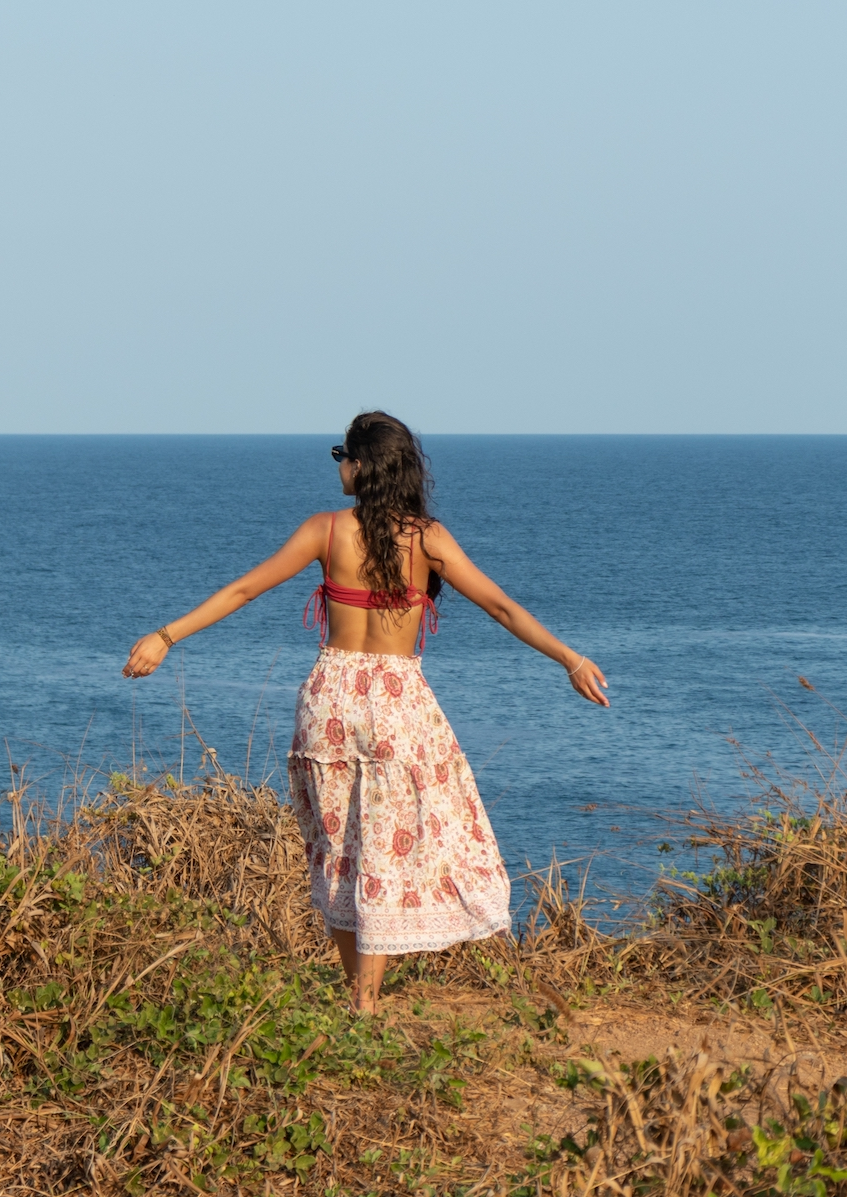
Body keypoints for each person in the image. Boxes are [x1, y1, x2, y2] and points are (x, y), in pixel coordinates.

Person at [122, 411, 608, 1013]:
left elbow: (243, 590)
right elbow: (502, 608)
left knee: (337, 845)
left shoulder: (325, 531)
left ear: (362, 465)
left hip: (332, 696)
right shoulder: (428, 538)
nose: (339, 468)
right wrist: (570, 658)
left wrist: (166, 637)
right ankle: (367, 998)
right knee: (382, 845)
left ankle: (362, 996)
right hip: (399, 701)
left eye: (341, 457)